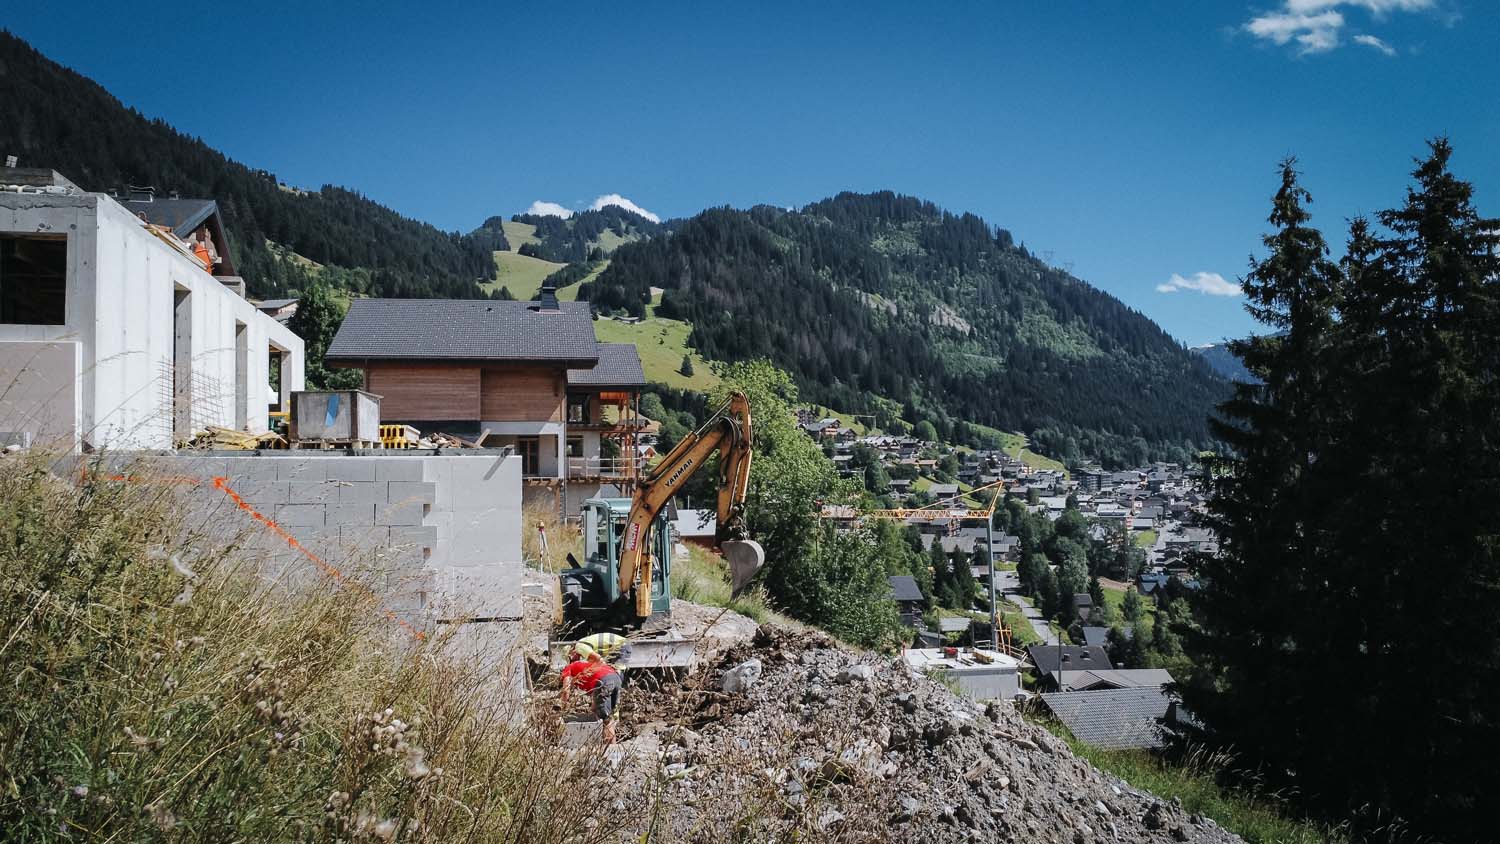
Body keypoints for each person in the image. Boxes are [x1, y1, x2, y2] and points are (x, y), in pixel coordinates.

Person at [560, 643, 622, 744]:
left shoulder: (569, 668)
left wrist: (563, 708)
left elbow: (566, 690)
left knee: (606, 720)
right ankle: (605, 744)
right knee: (603, 713)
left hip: (604, 682)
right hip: (615, 678)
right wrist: (593, 708)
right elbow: (596, 691)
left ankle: (612, 751)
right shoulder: (585, 665)